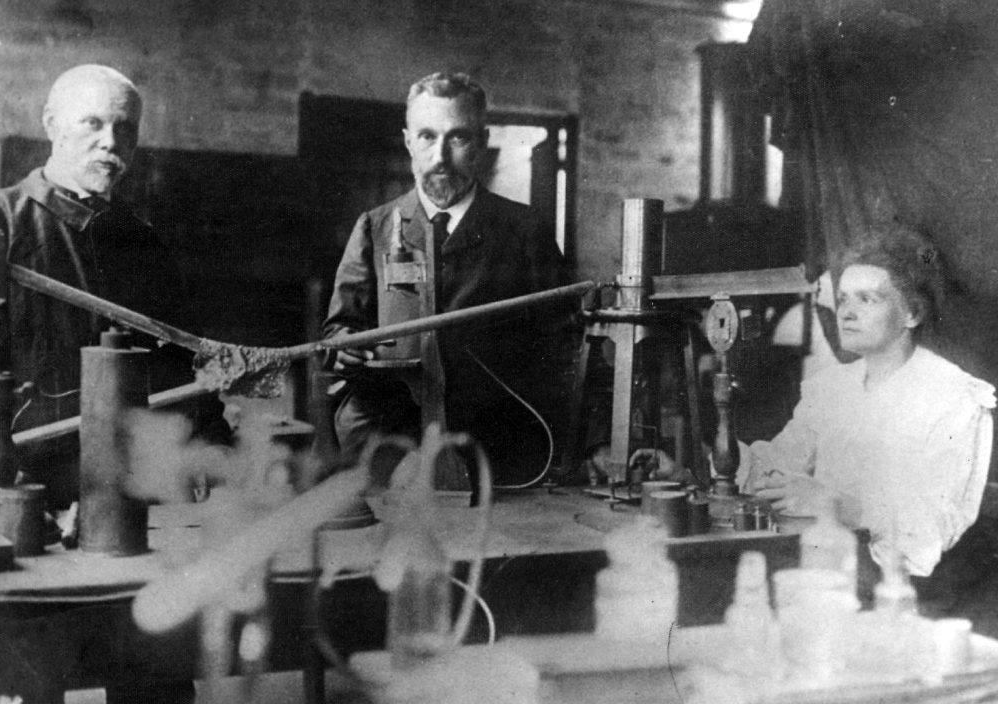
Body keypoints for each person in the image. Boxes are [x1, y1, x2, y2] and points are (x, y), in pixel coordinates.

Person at [636, 227, 995, 581]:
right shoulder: (834, 387)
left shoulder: (954, 398)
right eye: (843, 299)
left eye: (867, 299)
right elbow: (775, 468)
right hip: (822, 565)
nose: (846, 313)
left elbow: (935, 527)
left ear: (912, 313)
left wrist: (834, 505)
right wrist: (690, 469)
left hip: (908, 589)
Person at [0, 64, 199, 511]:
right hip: (22, 491)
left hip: (129, 494)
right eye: (92, 123)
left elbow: (181, 370)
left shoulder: (143, 242)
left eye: (125, 129)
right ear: (52, 123)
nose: (111, 142)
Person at [322, 72, 567, 480]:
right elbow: (338, 331)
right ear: (408, 142)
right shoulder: (374, 228)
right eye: (427, 137)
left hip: (497, 459)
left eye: (458, 138)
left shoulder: (525, 232)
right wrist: (343, 346)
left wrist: (594, 442)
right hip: (390, 455)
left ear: (482, 142)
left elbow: (566, 348)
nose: (440, 156)